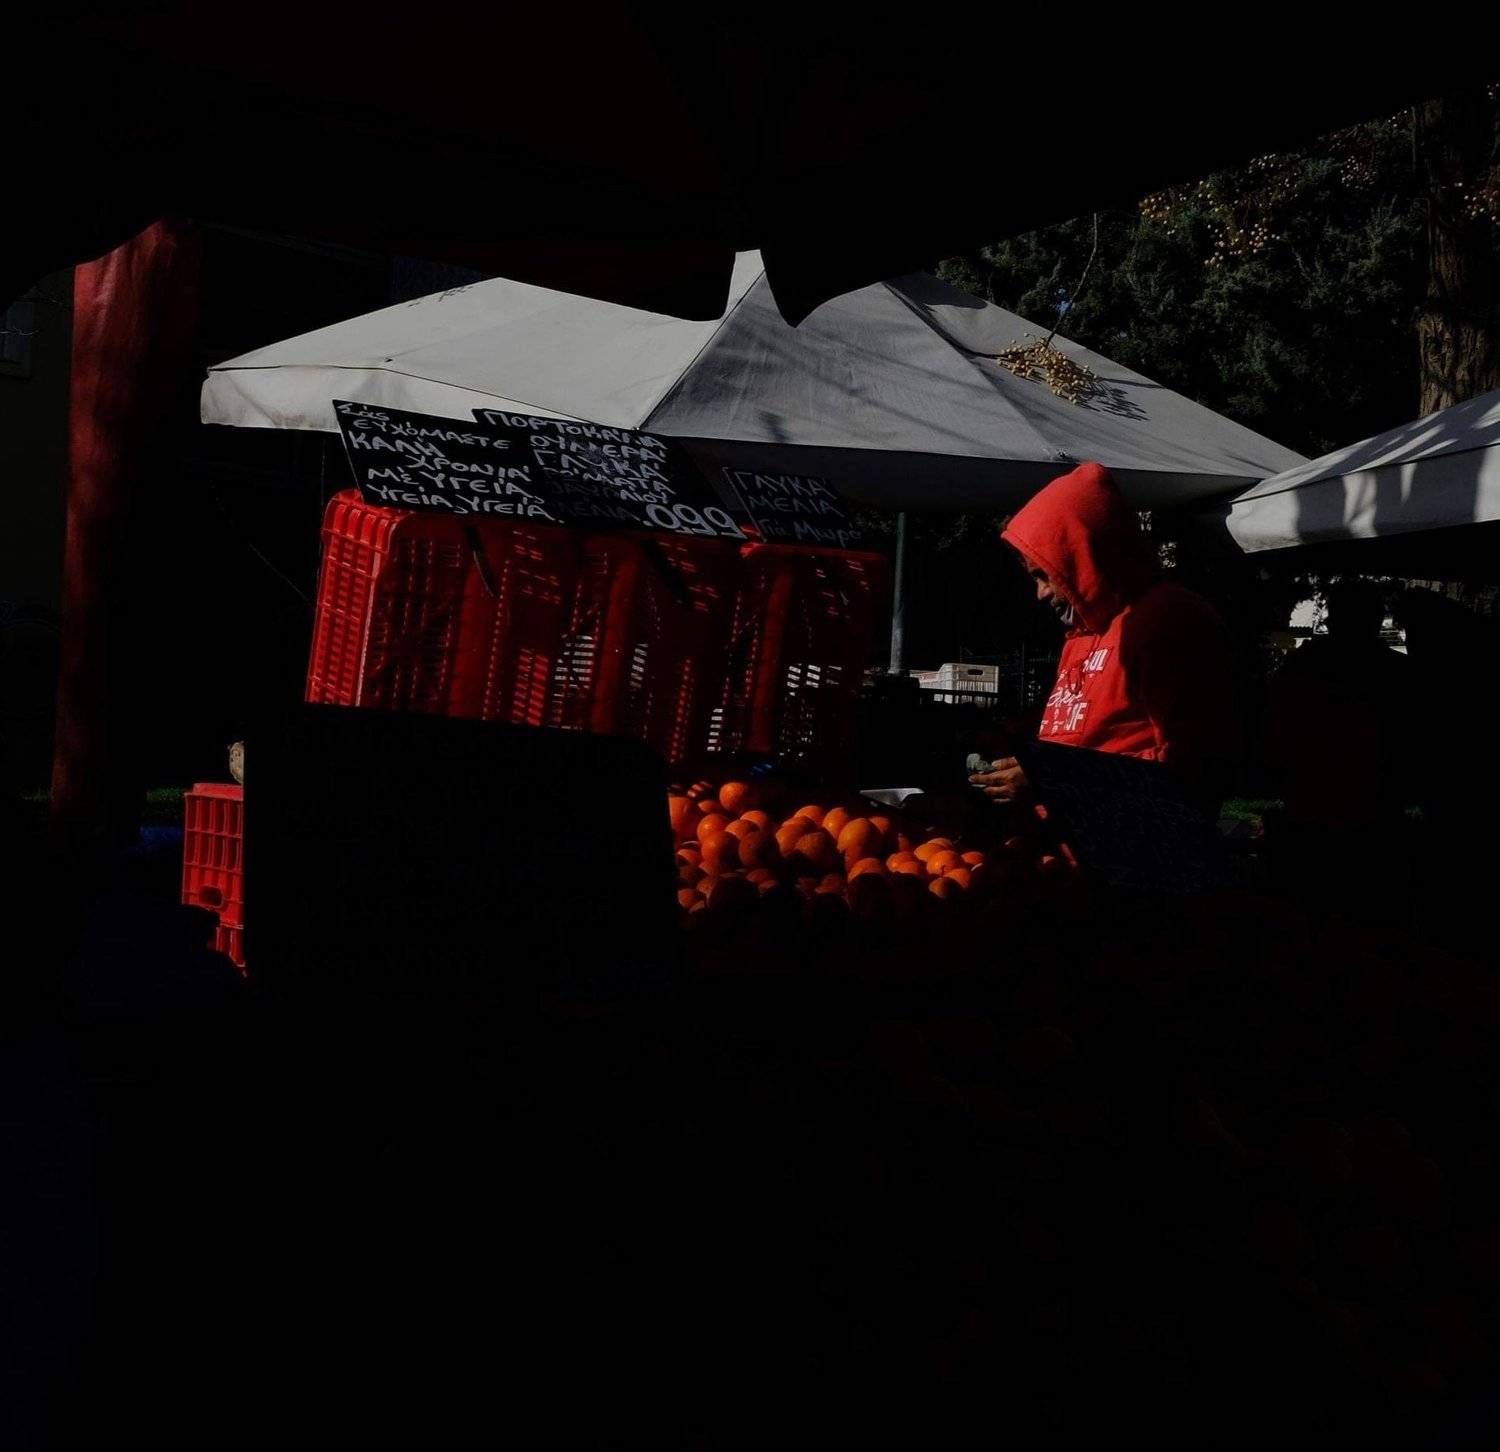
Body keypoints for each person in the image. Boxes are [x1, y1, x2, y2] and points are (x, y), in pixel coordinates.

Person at [969, 460, 1239, 820]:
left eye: (1045, 575)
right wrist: (1020, 741)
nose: (1040, 593)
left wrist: (1051, 778)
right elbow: (1100, 733)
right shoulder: (1083, 633)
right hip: (1077, 844)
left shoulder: (1170, 618)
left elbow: (1194, 766)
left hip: (1143, 846)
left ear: (1083, 554)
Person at [1263, 579, 1416, 922]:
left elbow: (1275, 729)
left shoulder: (1302, 666)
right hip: (1375, 811)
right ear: (1376, 619)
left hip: (1313, 804)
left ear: (1332, 619)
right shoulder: (1398, 673)